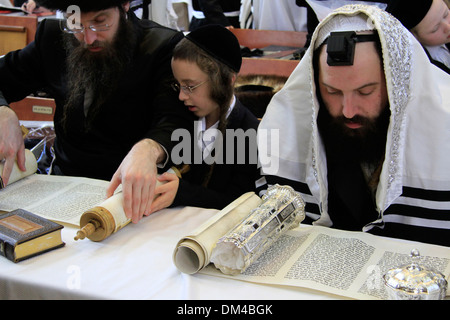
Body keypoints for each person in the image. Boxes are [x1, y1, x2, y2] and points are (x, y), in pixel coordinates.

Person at [257, 4, 450, 246]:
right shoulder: (295, 130)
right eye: (333, 92)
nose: (348, 110)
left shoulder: (444, 126)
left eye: (365, 91)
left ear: (397, 84)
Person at [0, 0, 194, 224]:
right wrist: (3, 112)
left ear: (125, 5)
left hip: (131, 194)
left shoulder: (162, 45)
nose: (88, 38)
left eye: (100, 23)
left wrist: (150, 148)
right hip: (62, 187)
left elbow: (175, 118)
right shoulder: (52, 37)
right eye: (76, 25)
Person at [150, 25, 259, 212]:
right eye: (178, 85)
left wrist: (182, 193)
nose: (181, 97)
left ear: (228, 79)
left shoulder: (248, 132)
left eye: (190, 86)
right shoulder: (180, 118)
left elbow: (242, 203)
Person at [387, 0, 450, 74]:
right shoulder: (418, 69)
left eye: (446, 14)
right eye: (435, 29)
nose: (448, 27)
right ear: (413, 37)